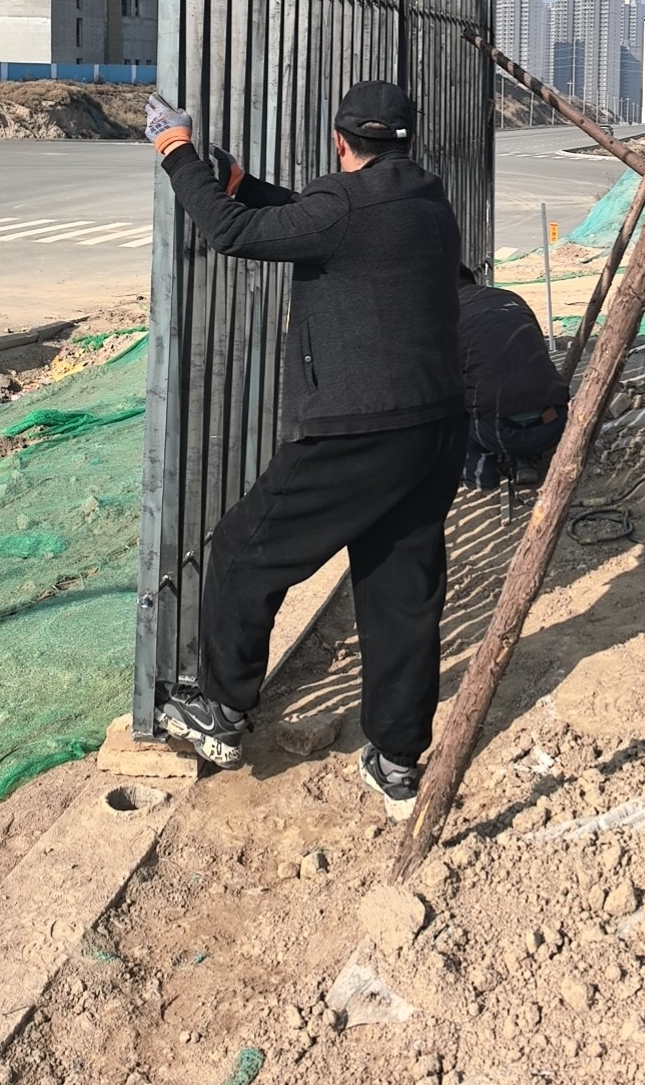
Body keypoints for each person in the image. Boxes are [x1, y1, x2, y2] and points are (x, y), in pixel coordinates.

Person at [144, 80, 466, 819]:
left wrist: (176, 151)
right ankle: (396, 760)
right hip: (438, 426)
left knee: (242, 549)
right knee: (399, 594)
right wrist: (240, 180)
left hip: (363, 429)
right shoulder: (426, 202)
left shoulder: (346, 209)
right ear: (404, 142)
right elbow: (318, 219)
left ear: (338, 140)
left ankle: (222, 712)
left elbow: (231, 232)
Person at [458, 266, 569, 490]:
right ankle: (524, 458)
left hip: (497, 432)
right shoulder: (510, 298)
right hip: (554, 422)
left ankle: (480, 472)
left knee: (449, 405)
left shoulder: (442, 313)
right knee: (517, 384)